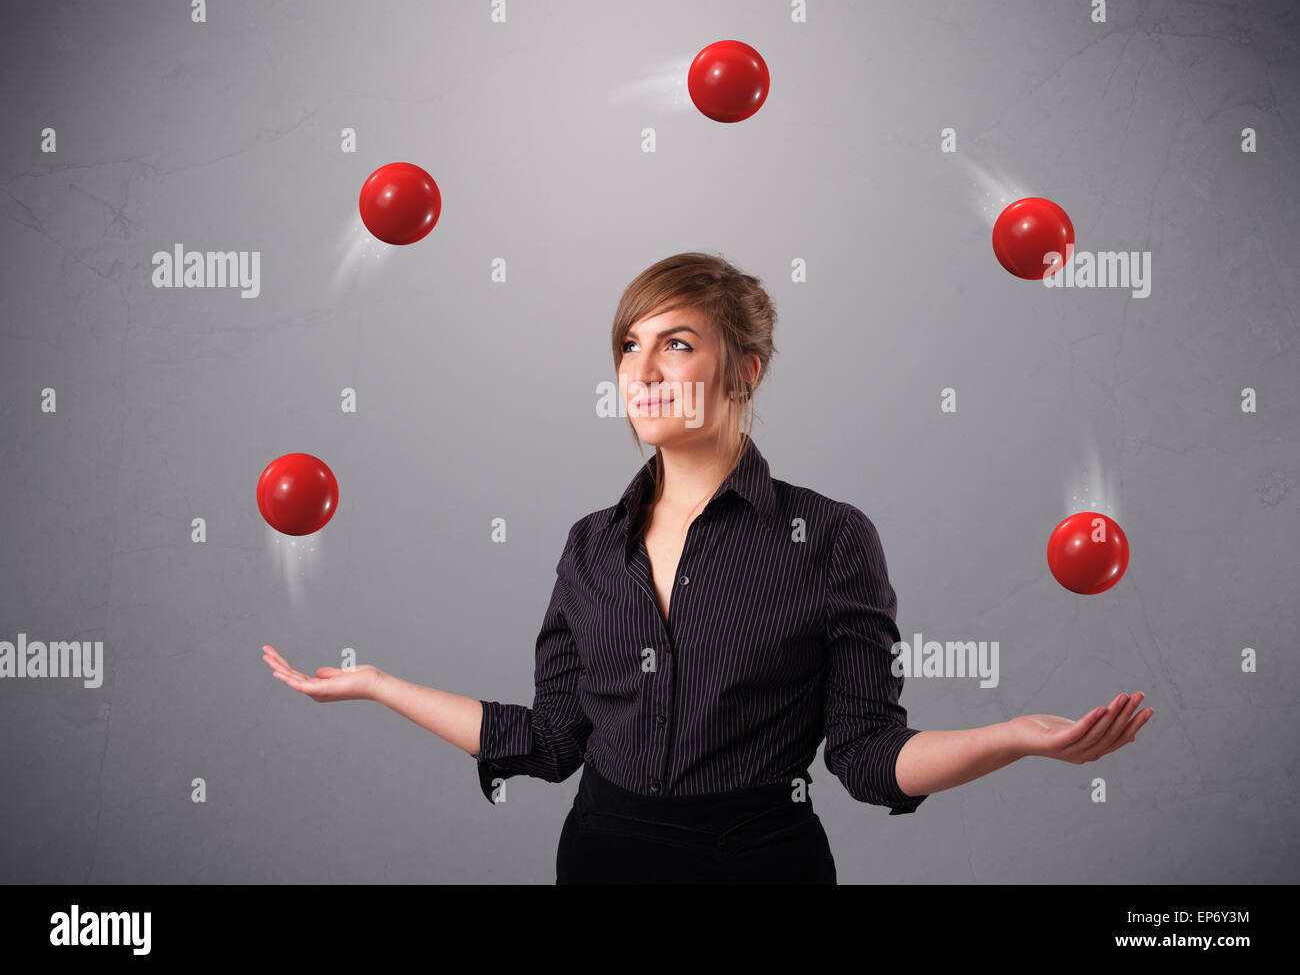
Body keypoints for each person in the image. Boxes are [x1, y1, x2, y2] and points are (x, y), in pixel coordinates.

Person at [262, 251, 1154, 885]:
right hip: (601, 858)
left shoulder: (833, 536)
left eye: (677, 344)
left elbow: (870, 755)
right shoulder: (588, 545)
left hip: (759, 863)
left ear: (746, 370)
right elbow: (550, 740)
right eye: (628, 345)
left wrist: (1013, 738)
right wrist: (380, 684)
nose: (642, 370)